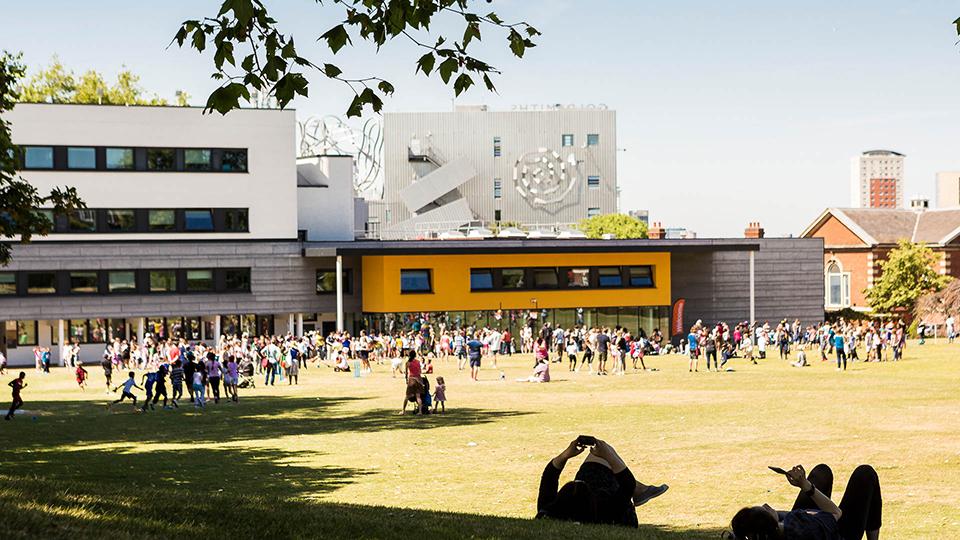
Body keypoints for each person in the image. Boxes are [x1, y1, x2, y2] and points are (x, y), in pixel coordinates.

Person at [537, 438, 669, 527]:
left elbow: (549, 477)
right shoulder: (608, 510)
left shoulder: (549, 511)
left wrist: (566, 454)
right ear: (592, 497)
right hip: (622, 512)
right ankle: (639, 490)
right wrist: (608, 455)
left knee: (598, 456)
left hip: (596, 495)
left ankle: (639, 490)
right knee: (604, 449)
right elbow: (627, 484)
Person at [729, 463, 882, 540]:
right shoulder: (804, 528)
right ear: (772, 525)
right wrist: (806, 486)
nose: (766, 506)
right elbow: (836, 513)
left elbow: (777, 519)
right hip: (839, 533)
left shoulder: (776, 530)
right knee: (865, 474)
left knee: (822, 472)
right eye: (764, 510)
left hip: (804, 525)